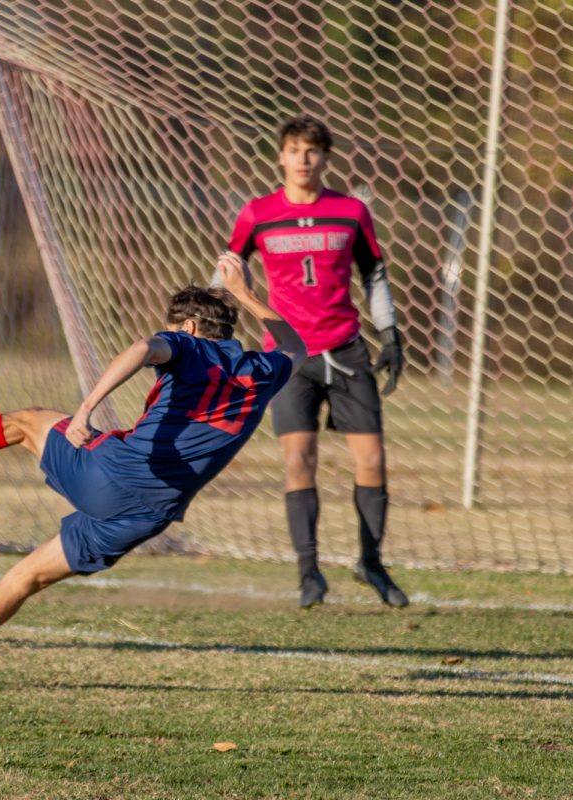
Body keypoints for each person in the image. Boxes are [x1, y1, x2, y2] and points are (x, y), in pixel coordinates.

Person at [0, 257, 306, 684]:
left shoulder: (185, 345)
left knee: (25, 423)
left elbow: (144, 347)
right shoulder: (263, 370)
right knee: (24, 580)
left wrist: (86, 409)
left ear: (186, 326)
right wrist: (245, 293)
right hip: (145, 519)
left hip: (113, 475)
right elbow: (296, 345)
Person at [223, 114, 409, 609]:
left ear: (325, 158)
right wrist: (214, 330)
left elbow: (374, 275)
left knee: (372, 461)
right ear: (280, 156)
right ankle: (309, 574)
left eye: (312, 150)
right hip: (289, 357)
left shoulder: (350, 211)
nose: (303, 159)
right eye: (295, 149)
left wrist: (389, 332)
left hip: (346, 349)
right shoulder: (257, 213)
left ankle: (371, 563)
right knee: (298, 462)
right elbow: (228, 272)